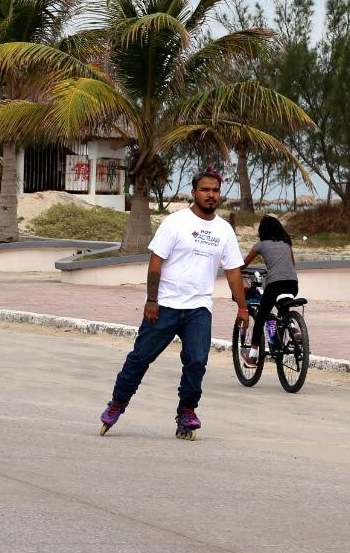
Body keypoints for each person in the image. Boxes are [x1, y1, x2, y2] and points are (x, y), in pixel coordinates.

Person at [99, 170, 249, 440]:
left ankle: (187, 412)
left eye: (215, 190)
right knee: (140, 358)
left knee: (197, 361)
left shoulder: (224, 230)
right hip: (165, 304)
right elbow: (156, 264)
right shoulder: (175, 222)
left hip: (199, 308)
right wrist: (152, 300)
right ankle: (118, 402)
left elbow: (234, 272)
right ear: (194, 192)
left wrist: (243, 307)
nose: (210, 195)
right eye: (205, 190)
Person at [241, 215, 298, 366]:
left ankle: (252, 355)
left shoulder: (261, 245)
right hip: (293, 283)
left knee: (261, 316)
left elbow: (244, 264)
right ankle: (292, 326)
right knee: (283, 308)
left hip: (274, 284)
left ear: (262, 230)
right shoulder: (287, 243)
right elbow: (292, 264)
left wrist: (235, 272)